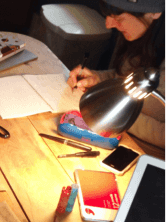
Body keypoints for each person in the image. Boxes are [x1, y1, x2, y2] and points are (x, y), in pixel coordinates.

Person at [67, 0, 165, 149]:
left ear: (154, 13)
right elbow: (127, 79)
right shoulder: (144, 36)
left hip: (145, 151)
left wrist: (113, 114)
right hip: (120, 137)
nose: (108, 25)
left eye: (118, 18)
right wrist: (98, 78)